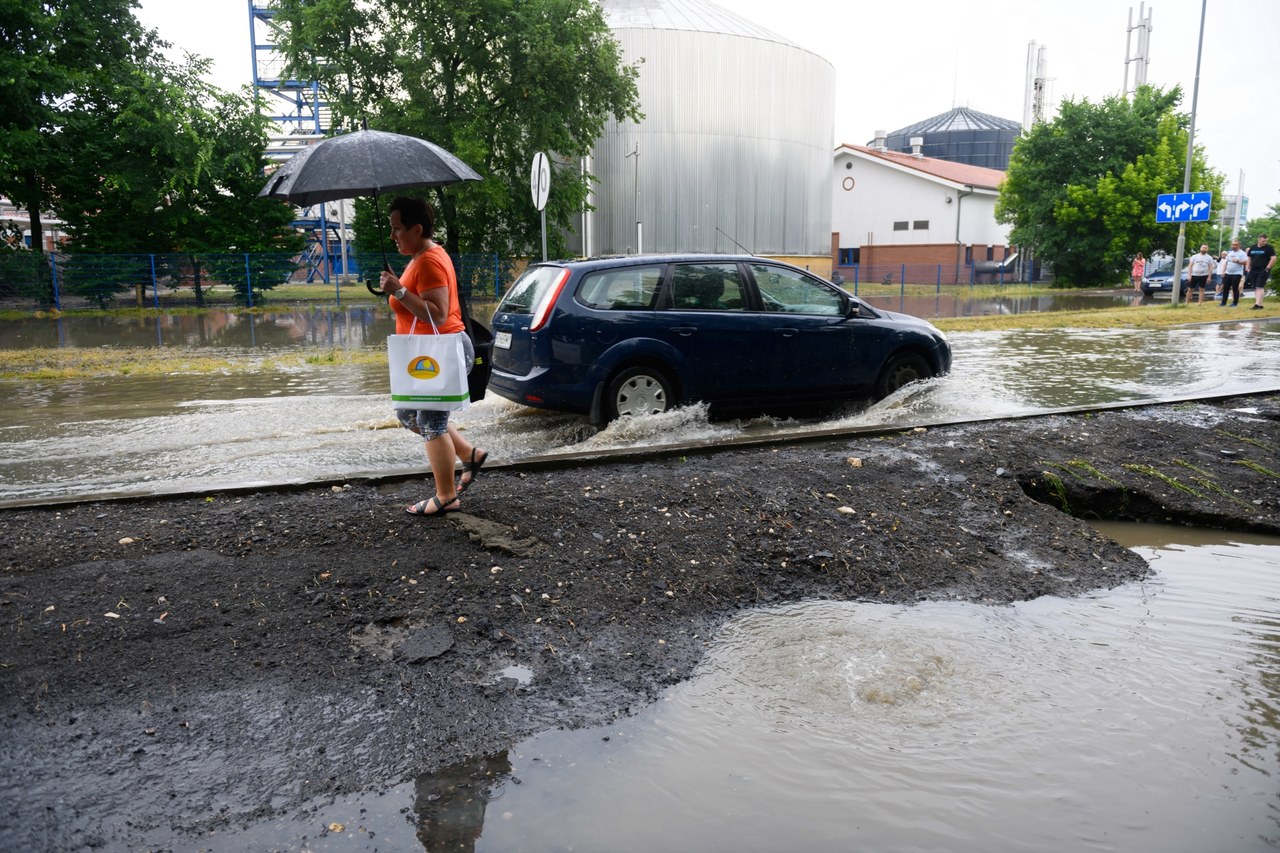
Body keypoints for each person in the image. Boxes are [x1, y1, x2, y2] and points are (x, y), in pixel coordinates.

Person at [379, 197, 488, 517]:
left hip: (442, 352)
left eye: (397, 229)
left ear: (417, 228)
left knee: (430, 421)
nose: (392, 236)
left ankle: (446, 496)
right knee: (408, 415)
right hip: (426, 355)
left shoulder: (429, 260)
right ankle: (469, 454)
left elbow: (438, 316)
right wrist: (398, 287)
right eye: (391, 229)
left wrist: (399, 291)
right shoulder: (417, 257)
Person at [1244, 233, 1276, 310]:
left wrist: (1268, 268)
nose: (1265, 242)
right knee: (1255, 287)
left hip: (1263, 269)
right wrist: (1247, 267)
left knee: (1259, 286)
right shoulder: (1253, 247)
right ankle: (1260, 304)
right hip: (1253, 270)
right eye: (1263, 241)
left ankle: (1257, 304)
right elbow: (1249, 258)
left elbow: (1273, 258)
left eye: (1266, 241)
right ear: (1259, 240)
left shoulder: (1269, 248)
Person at [1220, 238, 1249, 307]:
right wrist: (1223, 271)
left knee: (1235, 288)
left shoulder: (1242, 253)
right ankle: (1223, 302)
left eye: (1235, 245)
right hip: (1228, 273)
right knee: (1225, 288)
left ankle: (1235, 303)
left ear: (1239, 245)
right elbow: (1226, 263)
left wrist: (1238, 261)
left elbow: (1246, 262)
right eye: (1232, 245)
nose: (1233, 246)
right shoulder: (1230, 253)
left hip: (1237, 273)